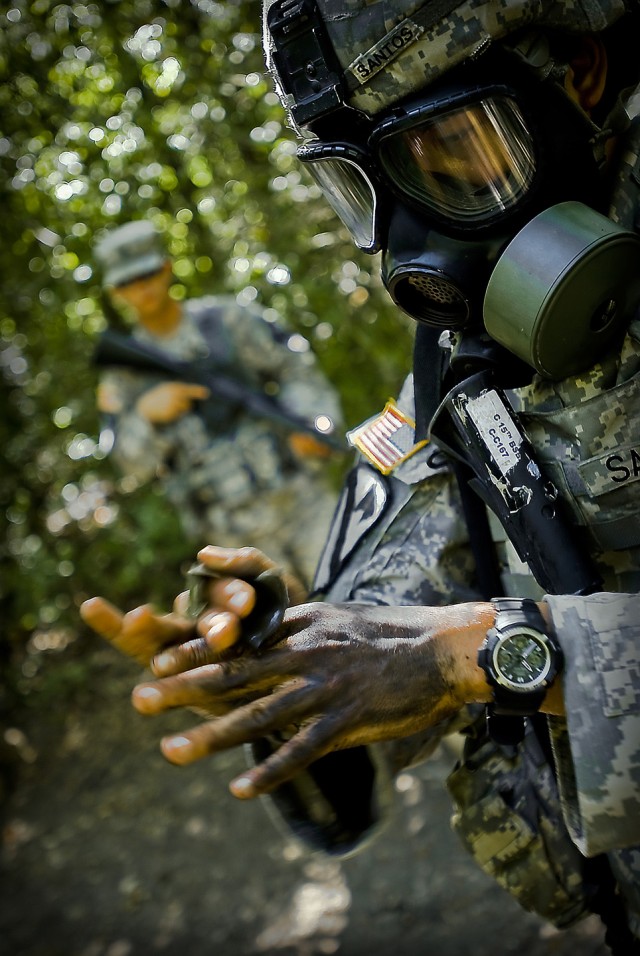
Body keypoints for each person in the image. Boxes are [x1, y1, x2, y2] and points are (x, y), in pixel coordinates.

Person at [81, 2, 640, 951]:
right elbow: (389, 621)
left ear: (580, 75)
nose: (416, 235)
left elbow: (437, 650)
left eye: (453, 146)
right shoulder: (462, 370)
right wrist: (272, 651)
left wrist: (473, 655)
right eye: (364, 186)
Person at [92, 219, 343, 588]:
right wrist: (147, 415)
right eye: (128, 282)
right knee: (288, 641)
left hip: (302, 500)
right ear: (116, 292)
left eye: (147, 274)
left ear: (165, 268)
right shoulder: (123, 375)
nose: (142, 288)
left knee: (362, 606)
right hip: (232, 537)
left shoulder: (226, 321)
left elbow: (293, 365)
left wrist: (312, 423)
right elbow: (130, 464)